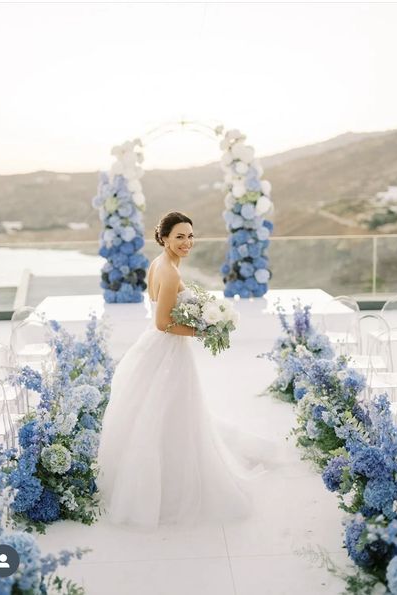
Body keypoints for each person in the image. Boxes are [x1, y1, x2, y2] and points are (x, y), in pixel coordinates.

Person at [97, 211, 276, 528]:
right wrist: (203, 331)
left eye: (190, 236)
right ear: (164, 237)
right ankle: (170, 487)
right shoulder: (168, 272)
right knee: (175, 415)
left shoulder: (159, 263)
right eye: (180, 236)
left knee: (163, 414)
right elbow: (163, 323)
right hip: (167, 351)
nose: (187, 242)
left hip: (154, 348)